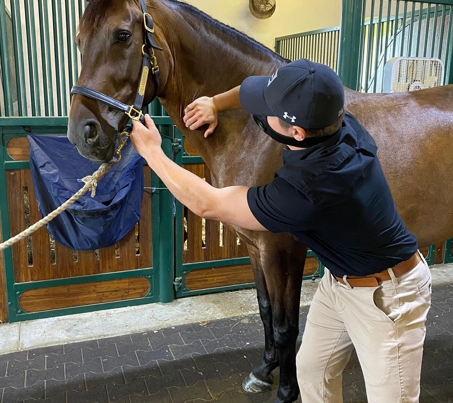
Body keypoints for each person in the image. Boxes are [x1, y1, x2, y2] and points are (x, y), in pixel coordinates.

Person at [130, 59, 432, 403]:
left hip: (389, 295)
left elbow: (207, 204)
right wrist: (215, 103)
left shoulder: (310, 188)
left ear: (297, 133)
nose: (259, 112)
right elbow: (250, 91)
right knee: (312, 370)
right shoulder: (341, 123)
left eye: (269, 111)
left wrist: (152, 152)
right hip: (340, 283)